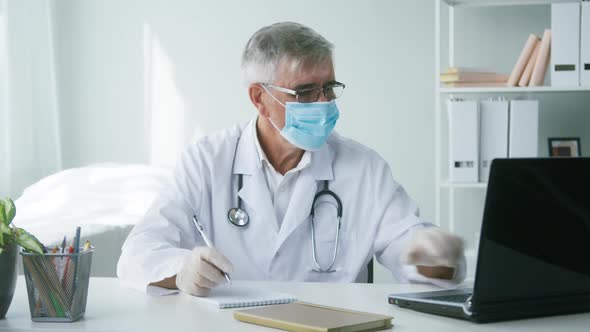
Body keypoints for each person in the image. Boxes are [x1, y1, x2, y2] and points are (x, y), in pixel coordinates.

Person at [117, 22, 465, 296]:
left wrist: (435, 257)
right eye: (305, 91)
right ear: (258, 98)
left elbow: (409, 244)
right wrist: (182, 270)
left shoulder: (364, 168)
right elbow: (138, 254)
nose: (323, 102)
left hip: (333, 324)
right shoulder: (208, 160)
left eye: (328, 87)